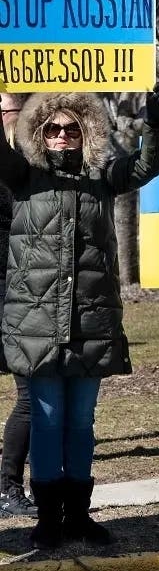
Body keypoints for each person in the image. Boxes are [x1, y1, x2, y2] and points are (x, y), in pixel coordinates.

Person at [0, 86, 159, 549]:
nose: (61, 136)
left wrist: (155, 124)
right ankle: (48, 518)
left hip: (91, 325)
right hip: (36, 328)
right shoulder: (23, 177)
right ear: (37, 130)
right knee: (48, 421)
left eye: (70, 128)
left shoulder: (101, 178)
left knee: (81, 423)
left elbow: (145, 165)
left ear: (85, 131)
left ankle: (78, 514)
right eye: (52, 128)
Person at [0, 93, 36, 518]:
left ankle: (10, 485)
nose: (14, 118)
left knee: (31, 395)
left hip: (26, 296)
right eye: (9, 111)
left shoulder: (32, 165)